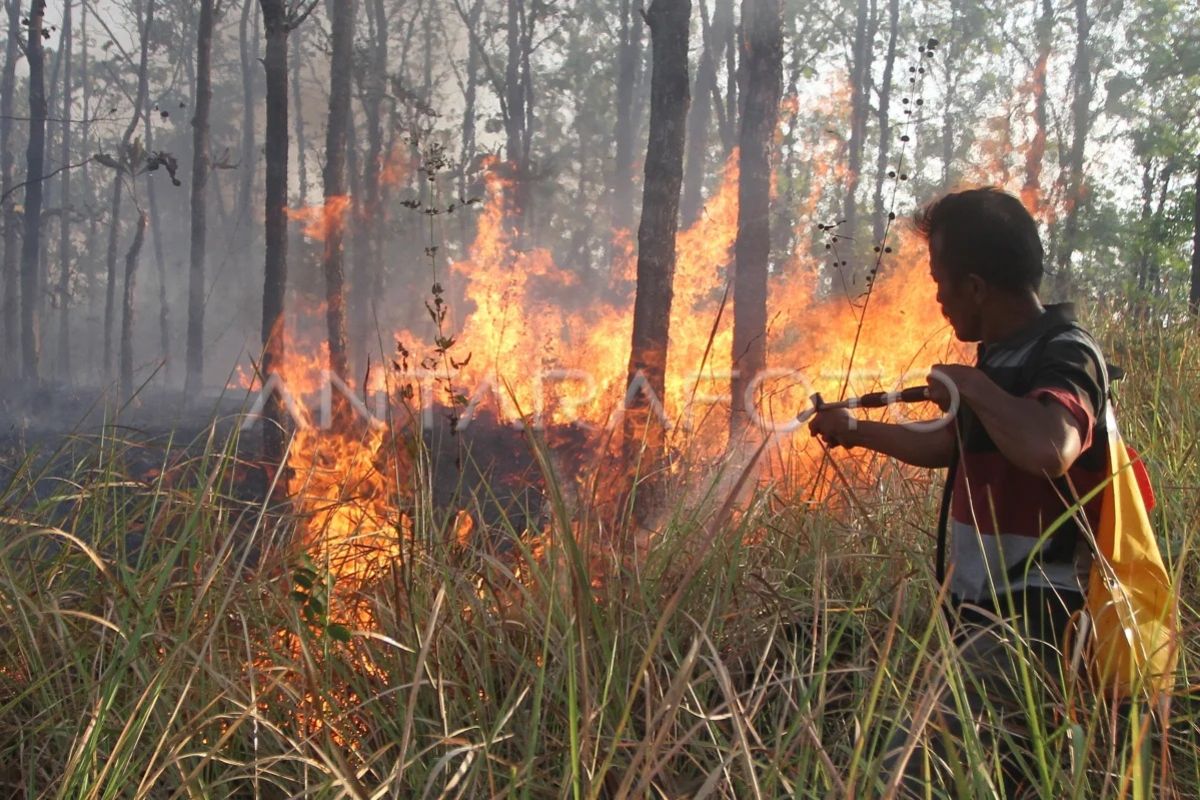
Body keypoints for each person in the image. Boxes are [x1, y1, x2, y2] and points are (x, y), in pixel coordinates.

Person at [809, 187, 1111, 794]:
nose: (938, 297)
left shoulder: (1066, 353)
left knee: (905, 775)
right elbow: (950, 448)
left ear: (974, 286)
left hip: (1036, 615)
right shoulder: (1002, 357)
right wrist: (856, 430)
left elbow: (1051, 447)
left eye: (939, 279)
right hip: (979, 613)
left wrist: (970, 385)